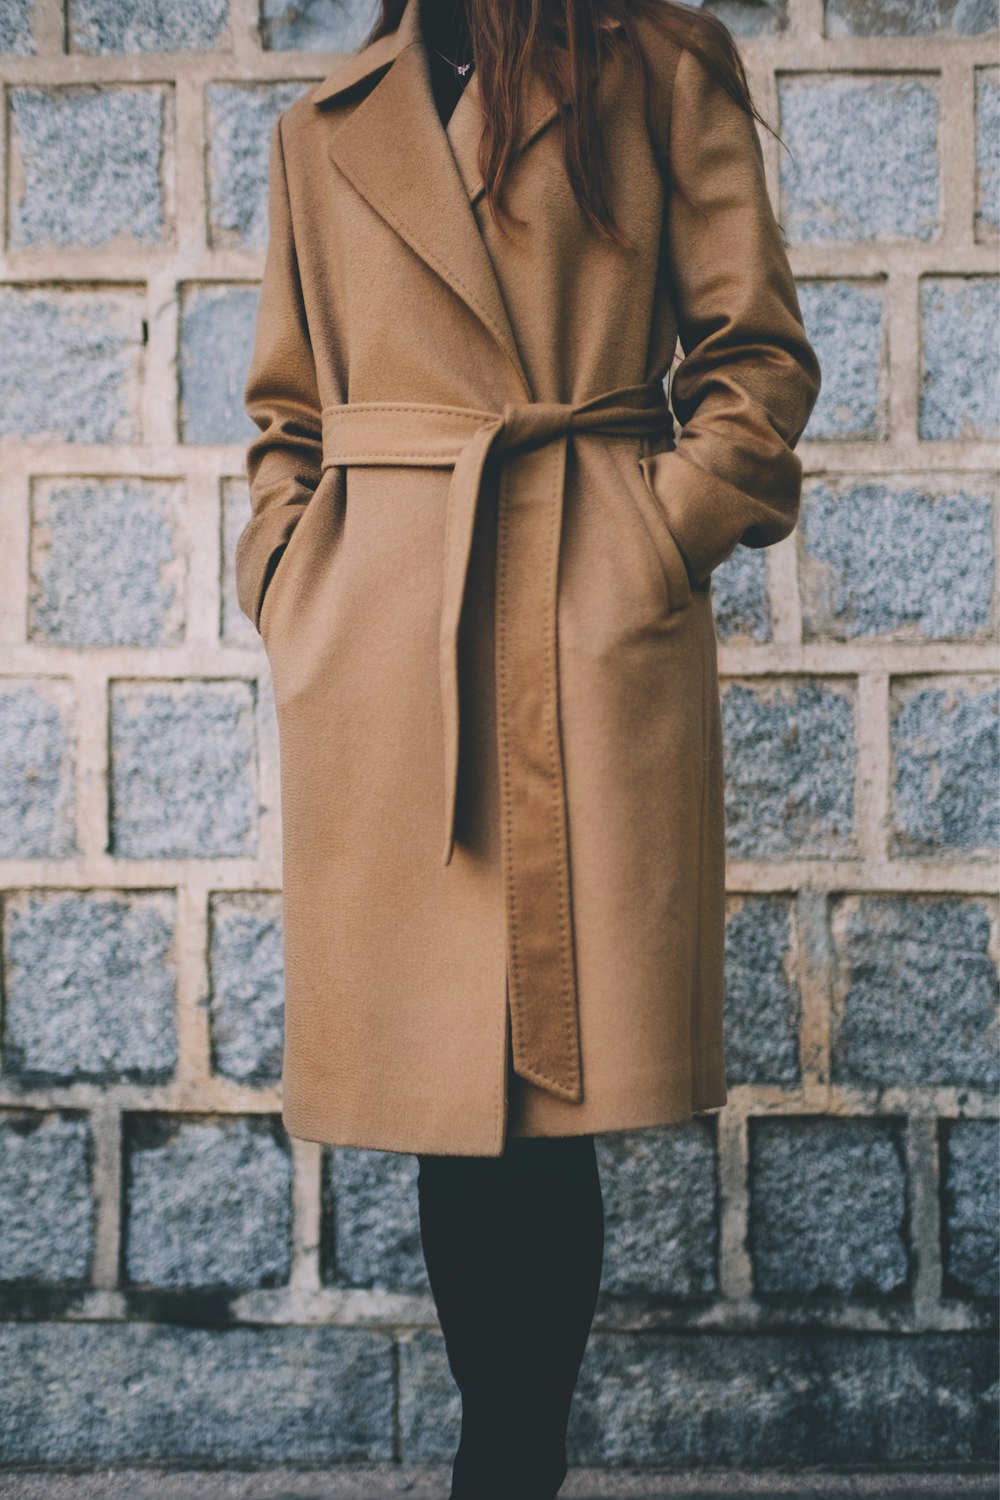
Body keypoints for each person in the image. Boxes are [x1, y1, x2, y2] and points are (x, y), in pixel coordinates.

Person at [237, 0, 821, 1493]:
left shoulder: (652, 70)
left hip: (575, 614)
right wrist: (289, 573)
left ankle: (507, 1462)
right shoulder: (322, 130)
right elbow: (286, 415)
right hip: (388, 648)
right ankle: (503, 1461)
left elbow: (754, 361)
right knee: (453, 1095)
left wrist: (647, 540)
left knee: (538, 1102)